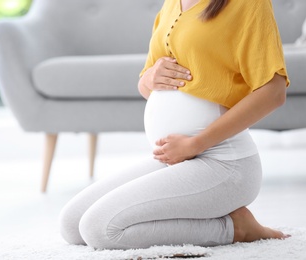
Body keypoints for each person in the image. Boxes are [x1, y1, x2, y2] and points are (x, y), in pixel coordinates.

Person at [59, 0, 290, 250]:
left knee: (101, 229)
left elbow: (273, 92)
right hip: (177, 159)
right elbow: (150, 86)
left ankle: (235, 228)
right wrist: (150, 76)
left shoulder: (248, 4)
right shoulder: (172, 3)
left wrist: (196, 143)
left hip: (224, 163)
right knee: (72, 223)